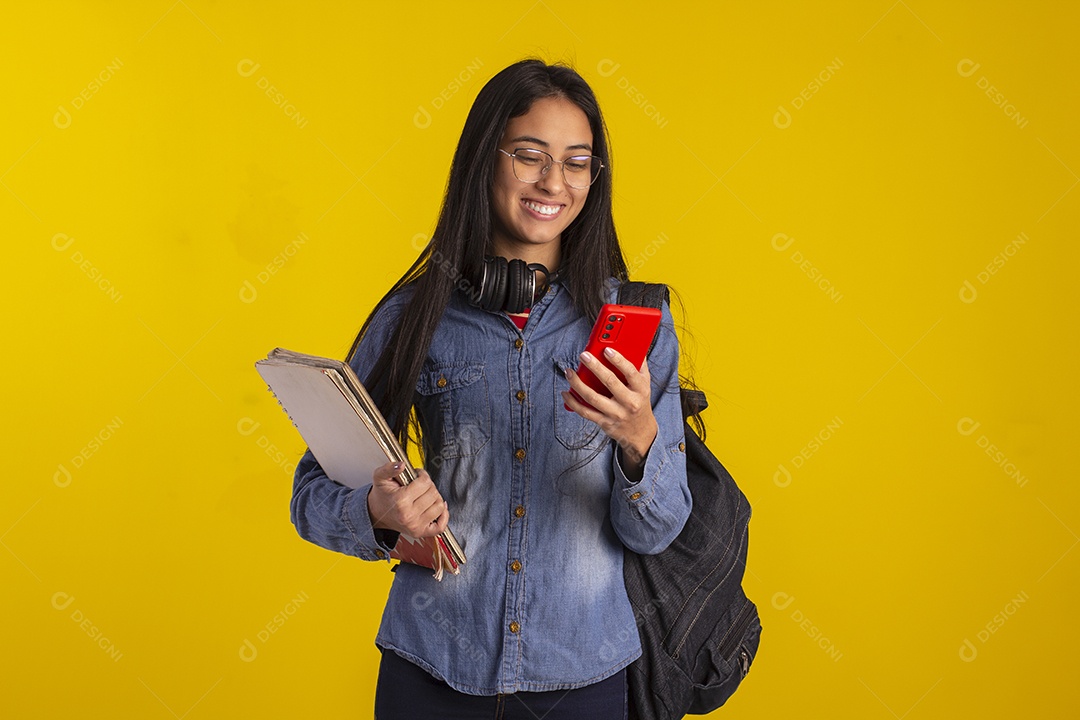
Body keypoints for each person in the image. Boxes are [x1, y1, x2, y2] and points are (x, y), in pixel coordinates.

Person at [289, 58, 692, 719]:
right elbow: (309, 495)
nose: (553, 182)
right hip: (431, 671)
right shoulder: (415, 316)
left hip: (582, 680)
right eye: (529, 156)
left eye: (577, 163)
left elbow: (656, 531)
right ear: (485, 161)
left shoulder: (636, 326)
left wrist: (638, 439)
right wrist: (379, 513)